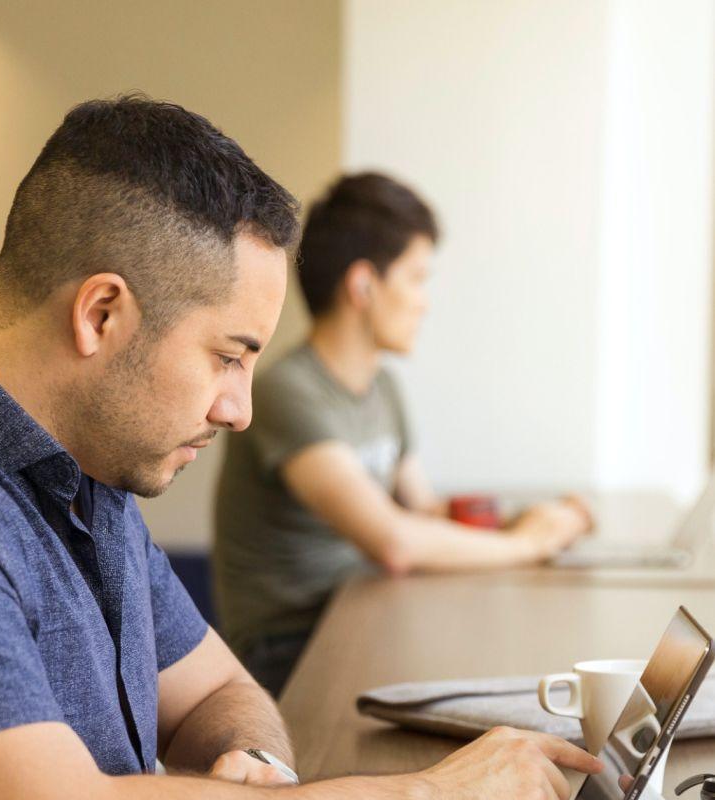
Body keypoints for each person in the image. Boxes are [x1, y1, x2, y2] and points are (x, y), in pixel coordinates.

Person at [0, 96, 601, 800]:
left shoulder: (86, 472)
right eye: (228, 357)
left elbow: (225, 694)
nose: (239, 408)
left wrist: (257, 775)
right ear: (101, 313)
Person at [214, 173, 591, 695]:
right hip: (293, 648)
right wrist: (528, 545)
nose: (425, 302)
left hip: (365, 611)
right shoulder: (287, 392)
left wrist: (524, 519)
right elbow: (394, 541)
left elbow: (422, 512)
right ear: (363, 285)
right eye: (416, 278)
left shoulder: (382, 388)